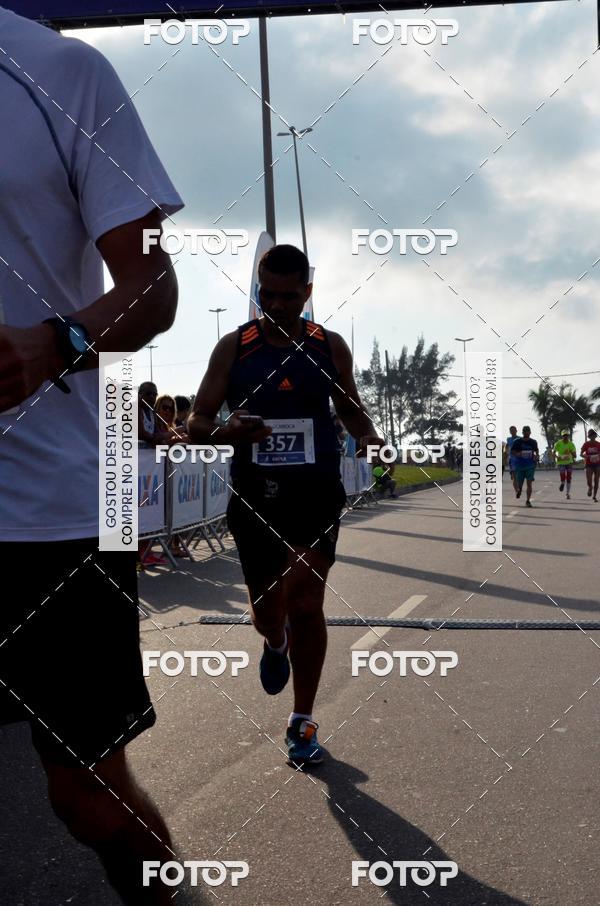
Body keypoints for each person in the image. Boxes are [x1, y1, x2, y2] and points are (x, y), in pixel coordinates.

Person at [0, 9, 196, 905]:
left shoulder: (63, 73)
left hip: (52, 515)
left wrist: (56, 340)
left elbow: (156, 286)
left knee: (86, 793)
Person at [188, 244, 382, 766]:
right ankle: (275, 644)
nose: (276, 305)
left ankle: (302, 722)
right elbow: (197, 422)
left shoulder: (328, 347)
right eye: (266, 295)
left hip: (315, 492)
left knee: (308, 602)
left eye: (288, 296)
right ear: (257, 290)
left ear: (308, 293)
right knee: (269, 613)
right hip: (256, 497)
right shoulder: (234, 348)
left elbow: (352, 410)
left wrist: (370, 437)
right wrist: (229, 431)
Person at [511, 426, 539, 507]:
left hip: (530, 465)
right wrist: (518, 454)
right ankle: (519, 491)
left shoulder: (533, 442)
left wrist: (537, 456)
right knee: (520, 484)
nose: (526, 433)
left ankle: (528, 501)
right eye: (525, 431)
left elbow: (536, 450)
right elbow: (512, 451)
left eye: (528, 431)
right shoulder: (517, 441)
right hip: (519, 466)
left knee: (529, 483)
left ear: (530, 432)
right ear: (522, 432)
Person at [553, 429, 576, 499]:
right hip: (561, 463)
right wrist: (557, 457)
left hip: (569, 462)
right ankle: (562, 483)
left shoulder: (571, 444)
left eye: (566, 435)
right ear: (562, 436)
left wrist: (572, 453)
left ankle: (567, 493)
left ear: (568, 436)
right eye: (564, 435)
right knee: (563, 476)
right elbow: (553, 453)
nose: (565, 437)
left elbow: (575, 455)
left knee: (569, 478)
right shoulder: (558, 443)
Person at [581, 428, 600, 502]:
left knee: (596, 480)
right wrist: (587, 456)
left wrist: (597, 455)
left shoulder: (598, 444)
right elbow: (581, 454)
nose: (592, 437)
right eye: (590, 436)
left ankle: (594, 496)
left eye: (593, 435)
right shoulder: (586, 444)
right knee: (589, 480)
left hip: (597, 464)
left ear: (595, 436)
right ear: (589, 436)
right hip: (588, 464)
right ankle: (590, 487)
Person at [505, 425, 520, 494]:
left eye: (514, 430)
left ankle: (518, 488)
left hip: (520, 459)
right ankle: (517, 491)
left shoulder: (520, 439)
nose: (513, 432)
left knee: (519, 476)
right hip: (512, 460)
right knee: (514, 477)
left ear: (516, 430)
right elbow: (507, 447)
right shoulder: (508, 439)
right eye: (511, 430)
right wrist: (506, 454)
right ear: (510, 432)